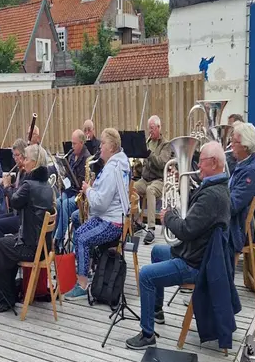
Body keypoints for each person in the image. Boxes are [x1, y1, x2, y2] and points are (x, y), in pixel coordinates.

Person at [126, 142, 231, 349]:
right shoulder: (215, 187)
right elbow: (195, 212)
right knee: (157, 251)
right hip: (196, 253)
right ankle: (156, 311)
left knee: (146, 275)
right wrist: (181, 188)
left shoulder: (213, 196)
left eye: (201, 163)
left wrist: (168, 217)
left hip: (195, 264)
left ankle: (147, 334)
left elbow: (185, 229)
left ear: (214, 163)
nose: (198, 166)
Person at [63, 128, 131, 300]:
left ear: (112, 147)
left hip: (113, 223)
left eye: (103, 143)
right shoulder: (118, 164)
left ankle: (82, 284)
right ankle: (89, 271)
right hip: (110, 217)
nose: (100, 147)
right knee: (79, 231)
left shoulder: (112, 169)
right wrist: (95, 188)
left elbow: (101, 203)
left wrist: (89, 190)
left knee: (82, 238)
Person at [0, 144, 54, 313]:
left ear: (34, 162)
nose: (24, 162)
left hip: (32, 248)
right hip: (44, 246)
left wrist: (6, 186)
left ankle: (5, 298)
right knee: (7, 242)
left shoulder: (29, 184)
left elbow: (15, 202)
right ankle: (9, 293)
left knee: (1, 244)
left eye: (26, 159)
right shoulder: (46, 184)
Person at [133, 115, 172, 245]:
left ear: (159, 128)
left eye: (152, 128)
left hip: (159, 180)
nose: (150, 131)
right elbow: (142, 167)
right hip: (145, 179)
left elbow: (161, 163)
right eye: (149, 128)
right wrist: (137, 163)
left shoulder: (166, 145)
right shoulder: (148, 142)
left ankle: (151, 229)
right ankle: (136, 221)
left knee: (150, 190)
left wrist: (148, 154)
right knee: (132, 187)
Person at [228, 122, 255, 255]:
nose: (231, 145)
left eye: (234, 141)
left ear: (245, 145)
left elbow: (232, 206)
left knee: (196, 229)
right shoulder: (241, 163)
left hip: (235, 229)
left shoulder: (250, 173)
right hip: (229, 222)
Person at [54, 129, 90, 252]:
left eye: (74, 144)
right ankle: (54, 239)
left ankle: (58, 239)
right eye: (72, 143)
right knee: (57, 203)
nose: (72, 146)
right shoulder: (70, 156)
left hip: (78, 195)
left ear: (81, 143)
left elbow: (80, 183)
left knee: (64, 204)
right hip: (69, 191)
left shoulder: (86, 158)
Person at [0, 138, 28, 246]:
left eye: (17, 155)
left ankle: (2, 256)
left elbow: (16, 199)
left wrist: (7, 187)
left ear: (25, 155)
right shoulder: (19, 170)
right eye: (14, 155)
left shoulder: (26, 173)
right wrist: (10, 183)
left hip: (23, 217)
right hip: (17, 213)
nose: (15, 159)